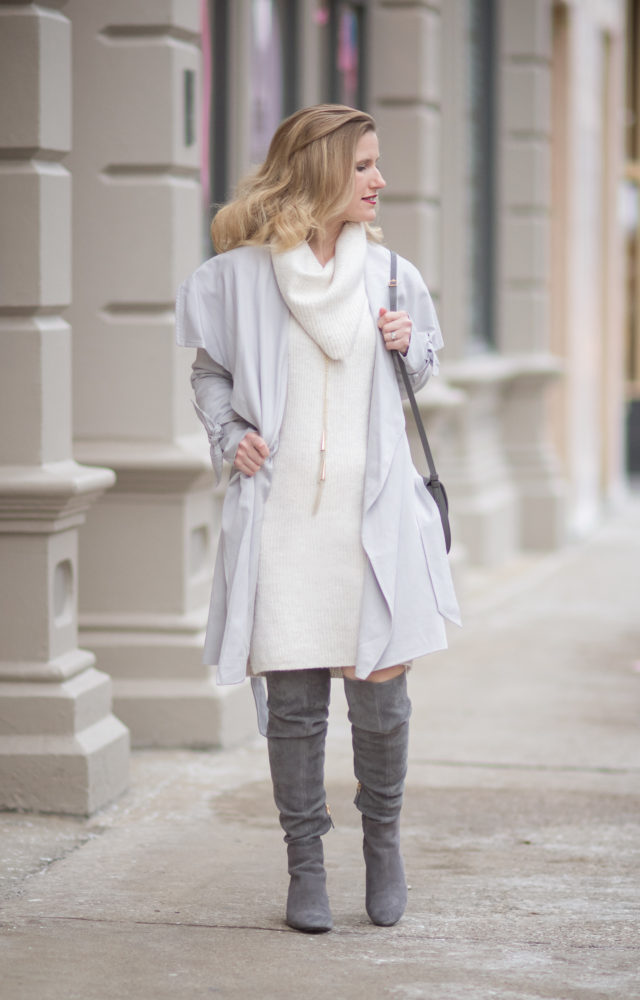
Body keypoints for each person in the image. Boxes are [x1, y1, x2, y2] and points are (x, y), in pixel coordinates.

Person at [176, 104, 460, 934]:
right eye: (364, 165)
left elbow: (424, 367)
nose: (380, 180)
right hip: (286, 521)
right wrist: (230, 434)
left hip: (372, 516)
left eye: (377, 164)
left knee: (382, 701)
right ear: (321, 170)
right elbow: (211, 372)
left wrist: (408, 345)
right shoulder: (240, 277)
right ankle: (305, 865)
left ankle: (383, 847)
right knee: (296, 707)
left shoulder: (392, 275)